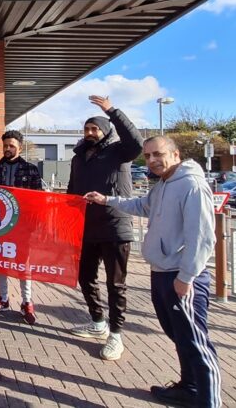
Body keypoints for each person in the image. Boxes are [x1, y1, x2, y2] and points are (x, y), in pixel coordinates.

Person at [84, 136, 221, 408]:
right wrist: (106, 200)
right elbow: (143, 206)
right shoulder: (163, 185)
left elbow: (203, 237)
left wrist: (186, 277)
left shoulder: (191, 185)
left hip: (181, 276)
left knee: (196, 343)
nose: (152, 160)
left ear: (176, 154)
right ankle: (189, 388)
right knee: (179, 336)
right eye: (147, 156)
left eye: (158, 154)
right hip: (161, 273)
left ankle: (209, 401)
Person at [67, 95, 143, 361]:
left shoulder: (120, 151)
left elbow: (136, 142)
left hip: (115, 225)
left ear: (105, 130)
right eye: (86, 129)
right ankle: (97, 321)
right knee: (85, 277)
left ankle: (116, 334)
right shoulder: (78, 157)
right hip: (86, 227)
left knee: (116, 283)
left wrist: (111, 110)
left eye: (94, 128)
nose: (90, 133)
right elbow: (72, 191)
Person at [0, 130, 42, 324]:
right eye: (5, 146)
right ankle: (3, 297)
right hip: (0, 225)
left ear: (20, 147)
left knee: (23, 264)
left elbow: (38, 199)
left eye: (12, 146)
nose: (8, 149)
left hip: (23, 226)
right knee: (0, 261)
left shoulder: (31, 170)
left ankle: (26, 301)